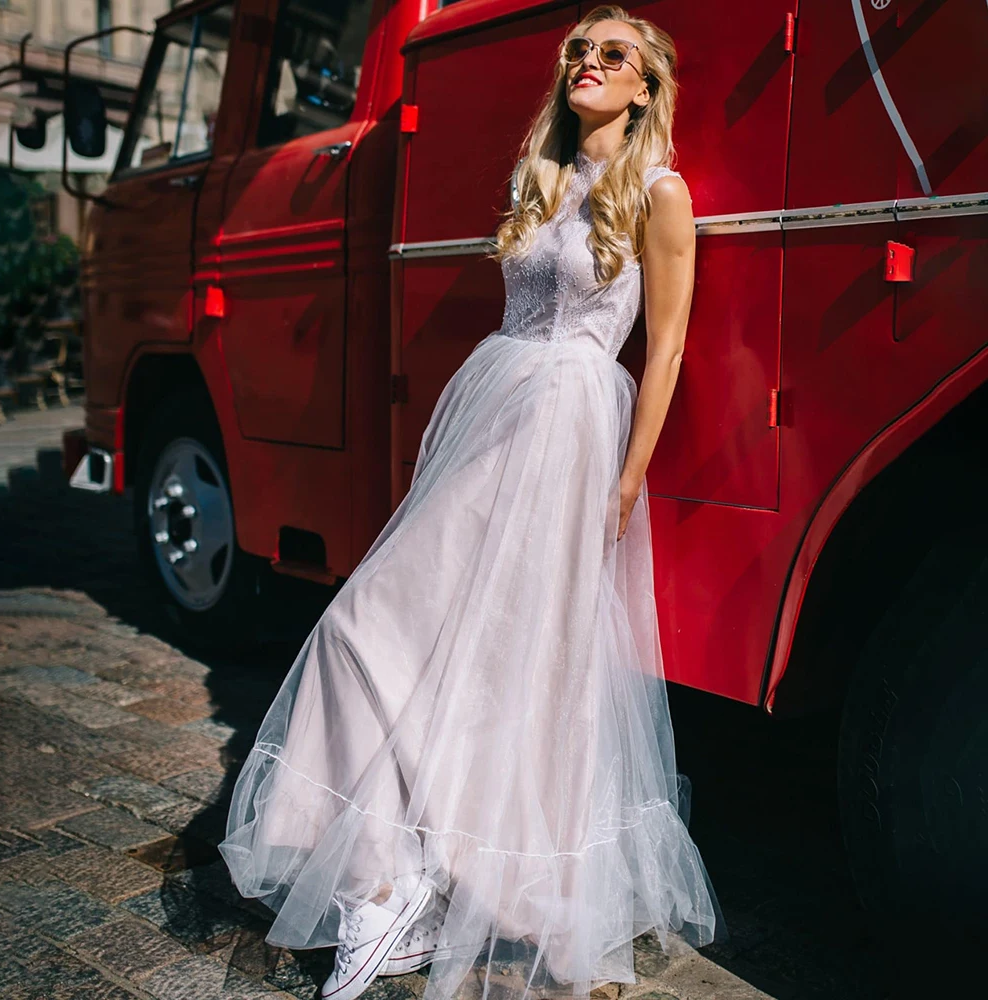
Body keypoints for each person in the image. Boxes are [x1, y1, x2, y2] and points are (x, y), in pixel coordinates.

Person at [218, 5, 728, 998]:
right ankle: (385, 882)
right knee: (371, 627)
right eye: (578, 49)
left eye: (612, 54)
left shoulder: (659, 194)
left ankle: (415, 895)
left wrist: (627, 475)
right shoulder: (535, 176)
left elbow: (662, 346)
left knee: (520, 659)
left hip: (572, 423)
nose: (588, 62)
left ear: (644, 86)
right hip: (493, 406)